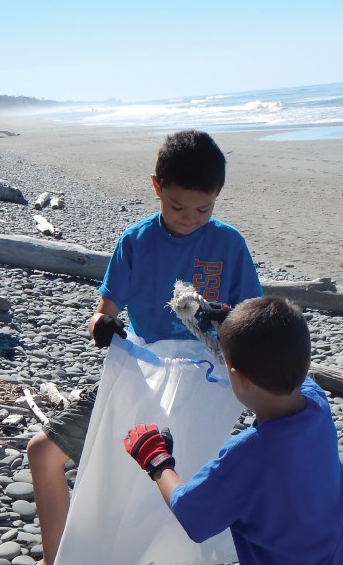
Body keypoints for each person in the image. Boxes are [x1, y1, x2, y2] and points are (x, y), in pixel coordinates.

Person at [26, 129, 263, 564]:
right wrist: (101, 324)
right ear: (156, 186)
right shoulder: (136, 242)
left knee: (164, 491)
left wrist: (222, 317)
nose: (190, 217)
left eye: (204, 208)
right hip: (140, 378)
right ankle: (55, 559)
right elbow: (104, 309)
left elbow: (253, 317)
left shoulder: (228, 244)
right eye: (177, 206)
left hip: (201, 388)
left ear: (217, 197)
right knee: (43, 452)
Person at [123, 296, 343, 564]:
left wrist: (157, 461)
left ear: (238, 377)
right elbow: (282, 356)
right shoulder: (317, 404)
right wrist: (233, 326)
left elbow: (191, 513)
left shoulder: (248, 454)